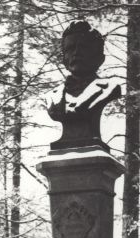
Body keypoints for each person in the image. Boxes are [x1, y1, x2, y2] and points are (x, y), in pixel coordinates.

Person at [47, 21, 121, 150]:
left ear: (99, 58)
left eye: (84, 47)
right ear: (64, 59)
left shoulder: (109, 88)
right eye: (70, 48)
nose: (76, 53)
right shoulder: (52, 96)